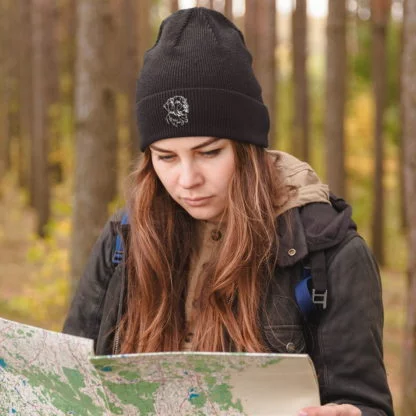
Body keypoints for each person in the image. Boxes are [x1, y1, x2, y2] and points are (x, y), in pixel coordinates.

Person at [63, 7, 394, 416]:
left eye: (209, 152)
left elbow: (368, 402)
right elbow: (70, 382)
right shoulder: (123, 239)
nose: (187, 179)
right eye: (166, 157)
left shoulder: (328, 253)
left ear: (247, 148)